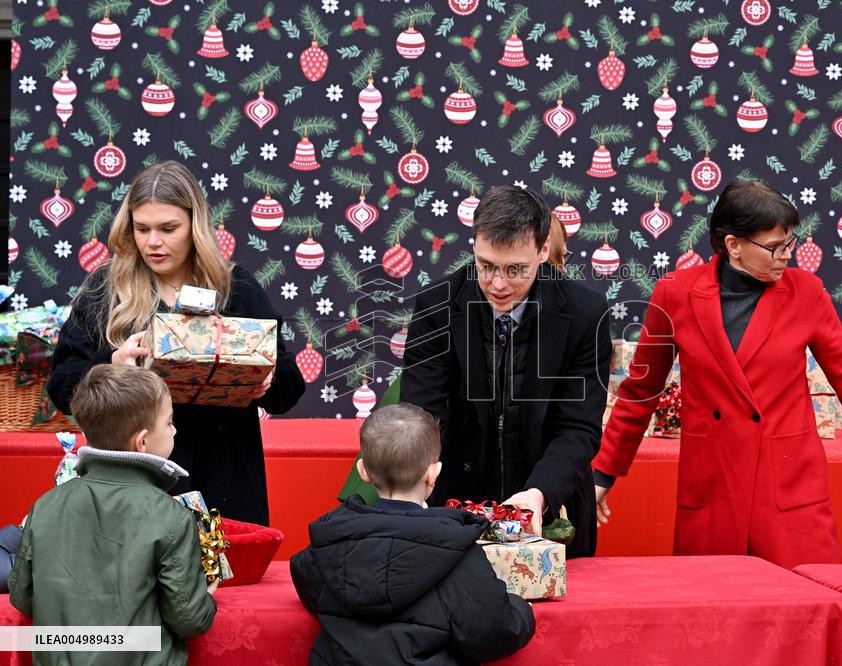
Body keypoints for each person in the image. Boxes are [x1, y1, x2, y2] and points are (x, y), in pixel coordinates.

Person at [595, 180, 842, 569]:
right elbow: (640, 391)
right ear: (734, 246)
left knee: (805, 616)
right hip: (712, 494)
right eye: (775, 247)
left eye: (789, 244)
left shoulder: (807, 292)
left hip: (789, 495)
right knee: (716, 618)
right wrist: (603, 475)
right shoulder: (675, 293)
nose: (785, 257)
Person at [46, 160, 305, 526]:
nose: (153, 242)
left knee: (220, 583)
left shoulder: (236, 289)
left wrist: (265, 378)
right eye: (142, 228)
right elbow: (61, 384)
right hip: (131, 486)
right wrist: (110, 369)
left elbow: (289, 389)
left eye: (168, 228)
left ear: (194, 226)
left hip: (224, 479)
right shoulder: (105, 290)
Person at [400, 185, 611, 558]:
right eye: (486, 266)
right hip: (453, 513)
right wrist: (413, 487)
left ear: (544, 250)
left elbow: (577, 429)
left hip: (552, 510)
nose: (498, 284)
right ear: (474, 246)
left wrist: (539, 494)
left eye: (515, 269)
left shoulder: (585, 314)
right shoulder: (437, 306)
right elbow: (422, 414)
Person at [290, 403, 535, 665]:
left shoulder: (331, 540)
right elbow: (495, 632)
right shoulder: (456, 551)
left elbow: (305, 577)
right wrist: (521, 609)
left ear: (362, 472)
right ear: (433, 473)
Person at [9, 364, 217, 665]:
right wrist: (208, 593)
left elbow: (23, 597)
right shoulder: (170, 516)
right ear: (142, 441)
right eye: (169, 422)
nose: (175, 430)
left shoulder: (46, 505)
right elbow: (189, 618)